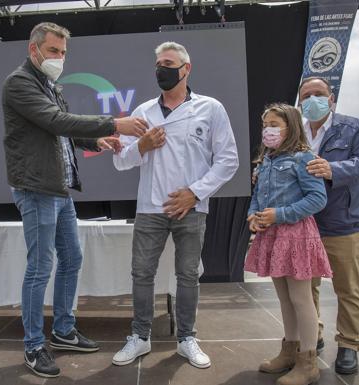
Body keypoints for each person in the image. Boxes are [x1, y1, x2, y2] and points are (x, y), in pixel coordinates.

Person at [2, 22, 147, 378]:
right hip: (36, 188)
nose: (59, 58)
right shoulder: (19, 83)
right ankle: (34, 346)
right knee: (40, 266)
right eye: (53, 50)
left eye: (63, 52)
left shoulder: (50, 84)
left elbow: (62, 133)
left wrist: (96, 142)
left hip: (58, 187)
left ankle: (64, 330)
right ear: (32, 48)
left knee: (72, 258)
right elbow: (55, 120)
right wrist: (114, 124)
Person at [112, 41, 239, 369]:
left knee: (187, 275)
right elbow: (121, 163)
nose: (161, 69)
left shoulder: (210, 108)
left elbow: (228, 160)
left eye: (167, 63)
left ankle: (186, 338)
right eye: (157, 64)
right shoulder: (143, 112)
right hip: (150, 208)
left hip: (191, 208)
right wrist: (141, 144)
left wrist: (195, 193)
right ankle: (140, 336)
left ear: (186, 69)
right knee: (142, 273)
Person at [245, 103, 332, 385]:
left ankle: (308, 362)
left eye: (274, 125)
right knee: (284, 298)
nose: (268, 130)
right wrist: (253, 216)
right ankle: (289, 352)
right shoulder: (266, 160)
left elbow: (317, 198)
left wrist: (280, 214)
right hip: (272, 234)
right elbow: (258, 196)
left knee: (300, 298)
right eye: (265, 125)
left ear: (290, 127)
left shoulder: (303, 158)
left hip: (295, 235)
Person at [298, 76, 359, 374]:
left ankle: (348, 344)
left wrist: (333, 169)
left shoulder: (355, 127)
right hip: (305, 225)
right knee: (307, 288)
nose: (312, 100)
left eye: (318, 94)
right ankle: (313, 334)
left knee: (348, 289)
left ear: (331, 98)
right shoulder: (296, 133)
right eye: (306, 96)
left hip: (343, 223)